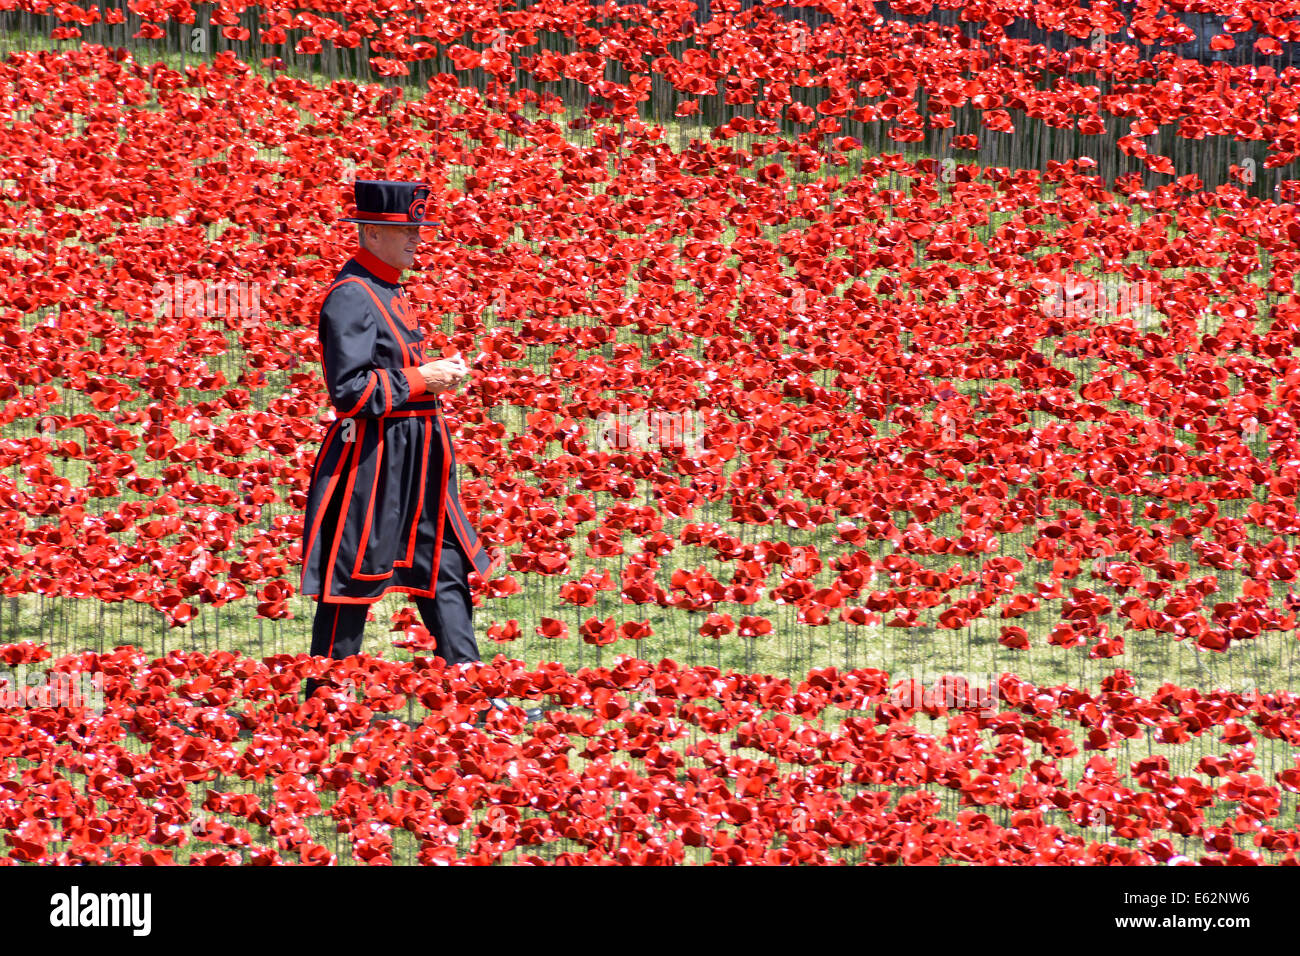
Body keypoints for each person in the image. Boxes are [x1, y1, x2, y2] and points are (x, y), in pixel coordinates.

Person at [298, 179, 539, 725]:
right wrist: (421, 378)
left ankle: (475, 691)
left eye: (420, 229)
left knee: (445, 567)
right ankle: (325, 701)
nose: (417, 239)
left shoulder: (390, 287)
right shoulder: (351, 295)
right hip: (373, 463)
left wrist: (431, 379)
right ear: (373, 230)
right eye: (408, 230)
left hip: (420, 459)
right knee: (353, 581)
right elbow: (350, 392)